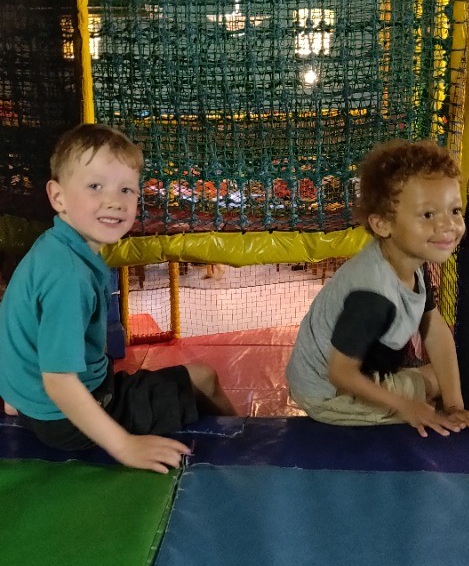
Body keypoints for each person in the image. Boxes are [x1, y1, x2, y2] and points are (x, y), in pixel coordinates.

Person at [0, 124, 236, 472]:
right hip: (66, 417)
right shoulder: (69, 274)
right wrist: (124, 445)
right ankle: (244, 448)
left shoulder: (54, 246)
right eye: (95, 186)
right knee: (204, 377)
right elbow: (59, 382)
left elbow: (16, 325)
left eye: (126, 189)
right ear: (58, 196)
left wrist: (16, 395)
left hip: (30, 399)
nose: (114, 201)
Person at [286, 139, 469, 438]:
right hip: (330, 394)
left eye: (455, 210)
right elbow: (341, 373)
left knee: (443, 381)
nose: (448, 225)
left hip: (355, 372)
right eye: (428, 214)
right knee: (428, 400)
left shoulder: (412, 259)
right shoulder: (373, 294)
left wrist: (454, 405)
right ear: (383, 225)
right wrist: (408, 407)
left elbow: (435, 330)